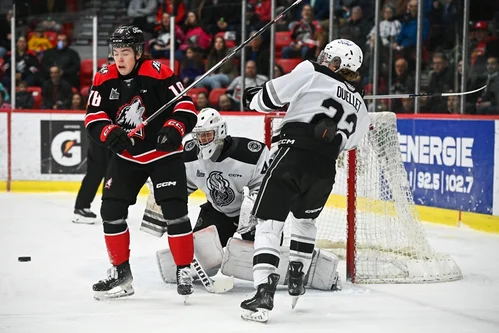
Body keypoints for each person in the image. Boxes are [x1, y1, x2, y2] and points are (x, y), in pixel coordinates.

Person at [240, 38, 371, 322]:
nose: (322, 58)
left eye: (328, 56)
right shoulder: (361, 106)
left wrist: (252, 96)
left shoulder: (312, 71)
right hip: (325, 168)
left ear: (336, 63)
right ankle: (297, 275)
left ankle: (263, 291)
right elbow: (349, 144)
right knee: (305, 220)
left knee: (269, 223)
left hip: (292, 155)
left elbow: (269, 99)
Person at [84, 26, 197, 300]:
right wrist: (108, 132)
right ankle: (121, 273)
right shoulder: (103, 77)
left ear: (137, 52)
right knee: (110, 211)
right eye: (115, 53)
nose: (119, 59)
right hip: (127, 156)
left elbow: (186, 106)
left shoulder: (158, 72)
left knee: (174, 210)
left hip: (163, 154)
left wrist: (174, 128)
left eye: (125, 53)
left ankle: (183, 269)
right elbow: (93, 115)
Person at [140, 108, 269, 279]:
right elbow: (183, 186)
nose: (202, 141)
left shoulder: (251, 153)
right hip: (217, 212)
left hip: (252, 215)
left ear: (220, 131)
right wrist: (166, 197)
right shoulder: (189, 154)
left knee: (261, 264)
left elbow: (266, 185)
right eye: (198, 136)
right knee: (196, 263)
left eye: (207, 135)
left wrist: (253, 205)